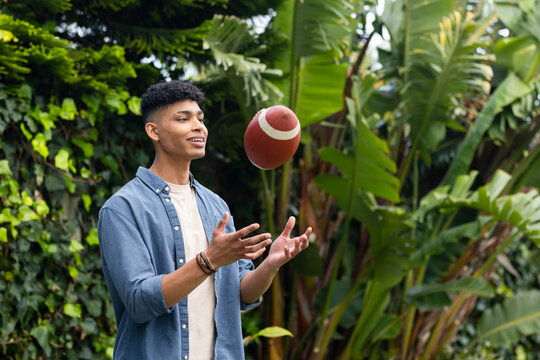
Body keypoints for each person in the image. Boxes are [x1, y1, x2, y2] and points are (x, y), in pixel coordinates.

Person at [97, 80, 311, 360]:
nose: (198, 126)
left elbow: (240, 294)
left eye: (200, 118)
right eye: (183, 119)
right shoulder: (122, 209)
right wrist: (208, 261)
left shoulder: (215, 206)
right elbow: (139, 302)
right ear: (154, 130)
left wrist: (270, 264)